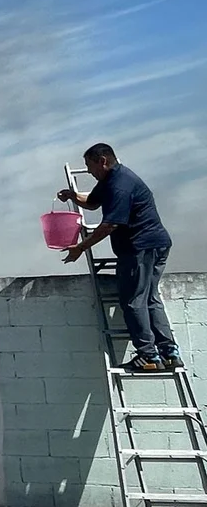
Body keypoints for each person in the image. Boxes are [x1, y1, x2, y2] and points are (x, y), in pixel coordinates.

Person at [57, 142, 181, 372]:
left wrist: (81, 247)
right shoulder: (110, 180)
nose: (89, 171)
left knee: (133, 301)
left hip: (140, 247)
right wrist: (72, 196)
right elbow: (93, 203)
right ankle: (169, 352)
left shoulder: (121, 185)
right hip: (155, 244)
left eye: (90, 165)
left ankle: (148, 356)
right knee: (149, 298)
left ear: (102, 161)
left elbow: (110, 224)